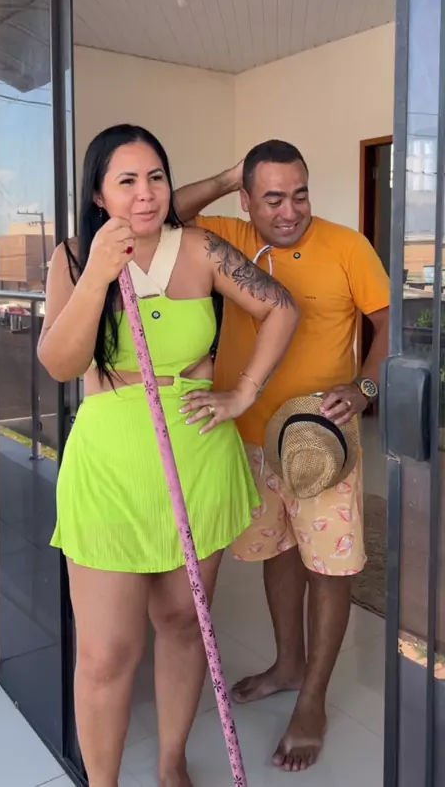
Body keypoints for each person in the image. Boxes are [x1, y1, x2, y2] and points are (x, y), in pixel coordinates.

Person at [38, 125, 300, 787]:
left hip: (197, 455)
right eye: (126, 180)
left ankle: (172, 761)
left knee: (184, 623)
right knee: (107, 652)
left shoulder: (202, 248)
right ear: (98, 194)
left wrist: (243, 392)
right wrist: (98, 275)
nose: (146, 193)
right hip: (110, 469)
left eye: (155, 176)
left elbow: (282, 309)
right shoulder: (73, 257)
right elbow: (61, 363)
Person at [173, 139, 390, 773]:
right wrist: (225, 173)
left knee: (330, 568)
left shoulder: (348, 246)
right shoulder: (229, 237)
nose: (290, 211)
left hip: (323, 440)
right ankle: (288, 664)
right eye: (271, 198)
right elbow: (168, 214)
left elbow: (388, 324)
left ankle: (313, 700)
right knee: (279, 552)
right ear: (246, 199)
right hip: (250, 436)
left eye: (299, 194)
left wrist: (365, 386)